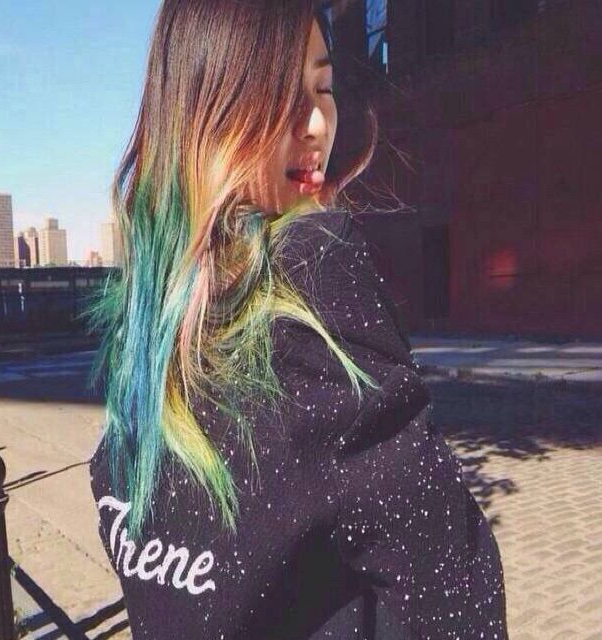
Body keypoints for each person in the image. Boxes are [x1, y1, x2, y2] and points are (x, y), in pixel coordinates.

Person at [88, 1, 510, 638]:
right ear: (208, 111)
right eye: (283, 95)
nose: (317, 124)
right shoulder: (317, 303)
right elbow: (458, 599)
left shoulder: (149, 324)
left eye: (324, 89)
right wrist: (318, 251)